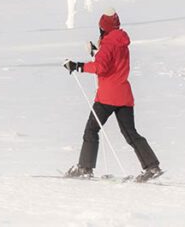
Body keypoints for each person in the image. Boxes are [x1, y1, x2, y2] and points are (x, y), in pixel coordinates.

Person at [62, 9, 163, 181]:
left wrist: (77, 65)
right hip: (124, 95)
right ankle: (152, 167)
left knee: (91, 130)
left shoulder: (108, 44)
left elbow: (101, 67)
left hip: (107, 97)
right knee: (130, 132)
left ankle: (85, 168)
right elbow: (110, 61)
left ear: (103, 28)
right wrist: (96, 52)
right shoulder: (121, 42)